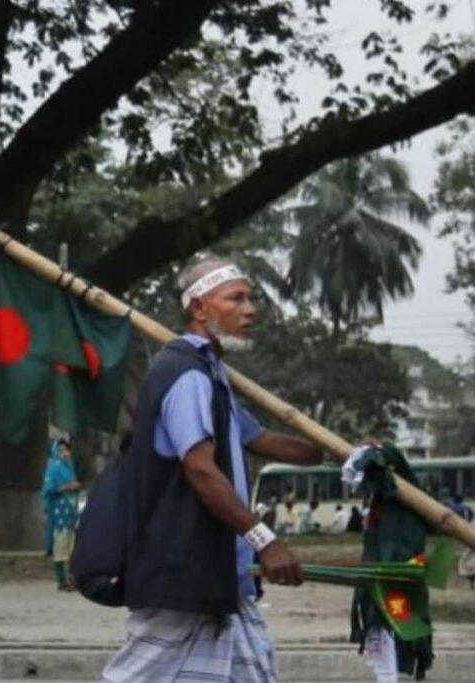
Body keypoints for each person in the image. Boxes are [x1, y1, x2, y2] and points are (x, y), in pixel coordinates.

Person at [103, 257, 328, 683]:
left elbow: (260, 440)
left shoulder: (212, 376)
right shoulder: (186, 375)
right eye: (236, 298)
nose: (251, 310)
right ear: (200, 309)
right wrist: (265, 540)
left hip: (220, 575)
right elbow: (200, 470)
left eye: (252, 298)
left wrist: (338, 452)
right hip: (183, 573)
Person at [41, 438, 80, 591]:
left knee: (72, 546)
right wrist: (67, 487)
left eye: (67, 450)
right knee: (61, 546)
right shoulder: (53, 468)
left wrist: (74, 487)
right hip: (59, 513)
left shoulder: (69, 467)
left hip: (71, 511)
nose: (65, 453)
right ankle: (61, 580)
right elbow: (48, 490)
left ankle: (72, 578)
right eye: (61, 450)